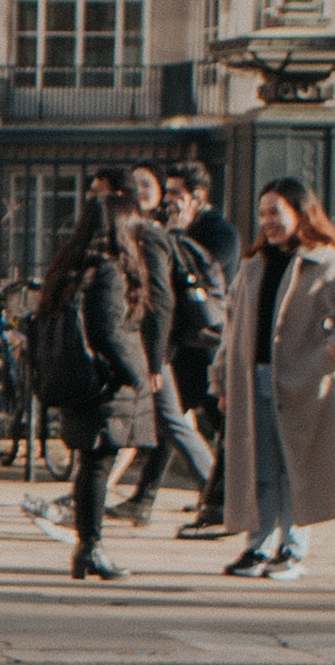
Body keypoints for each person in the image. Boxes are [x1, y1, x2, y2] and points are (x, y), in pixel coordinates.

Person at [219, 176, 335, 582]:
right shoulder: (252, 265)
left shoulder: (327, 261)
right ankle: (256, 545)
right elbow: (231, 325)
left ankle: (292, 549)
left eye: (276, 211)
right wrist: (221, 379)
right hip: (252, 380)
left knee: (297, 466)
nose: (268, 221)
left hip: (304, 382)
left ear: (300, 212)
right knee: (259, 466)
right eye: (262, 214)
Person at [24, 165, 157, 582]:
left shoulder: (72, 265)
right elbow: (107, 329)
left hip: (77, 378)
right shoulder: (110, 272)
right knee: (98, 465)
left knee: (90, 464)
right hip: (104, 384)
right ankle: (91, 547)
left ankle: (87, 547)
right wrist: (138, 375)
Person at [118, 165, 227, 529]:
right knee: (171, 422)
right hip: (176, 344)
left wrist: (154, 355)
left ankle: (219, 497)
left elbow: (162, 300)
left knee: (181, 422)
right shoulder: (157, 230)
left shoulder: (200, 232)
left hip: (192, 345)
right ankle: (146, 499)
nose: (169, 199)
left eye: (174, 191)